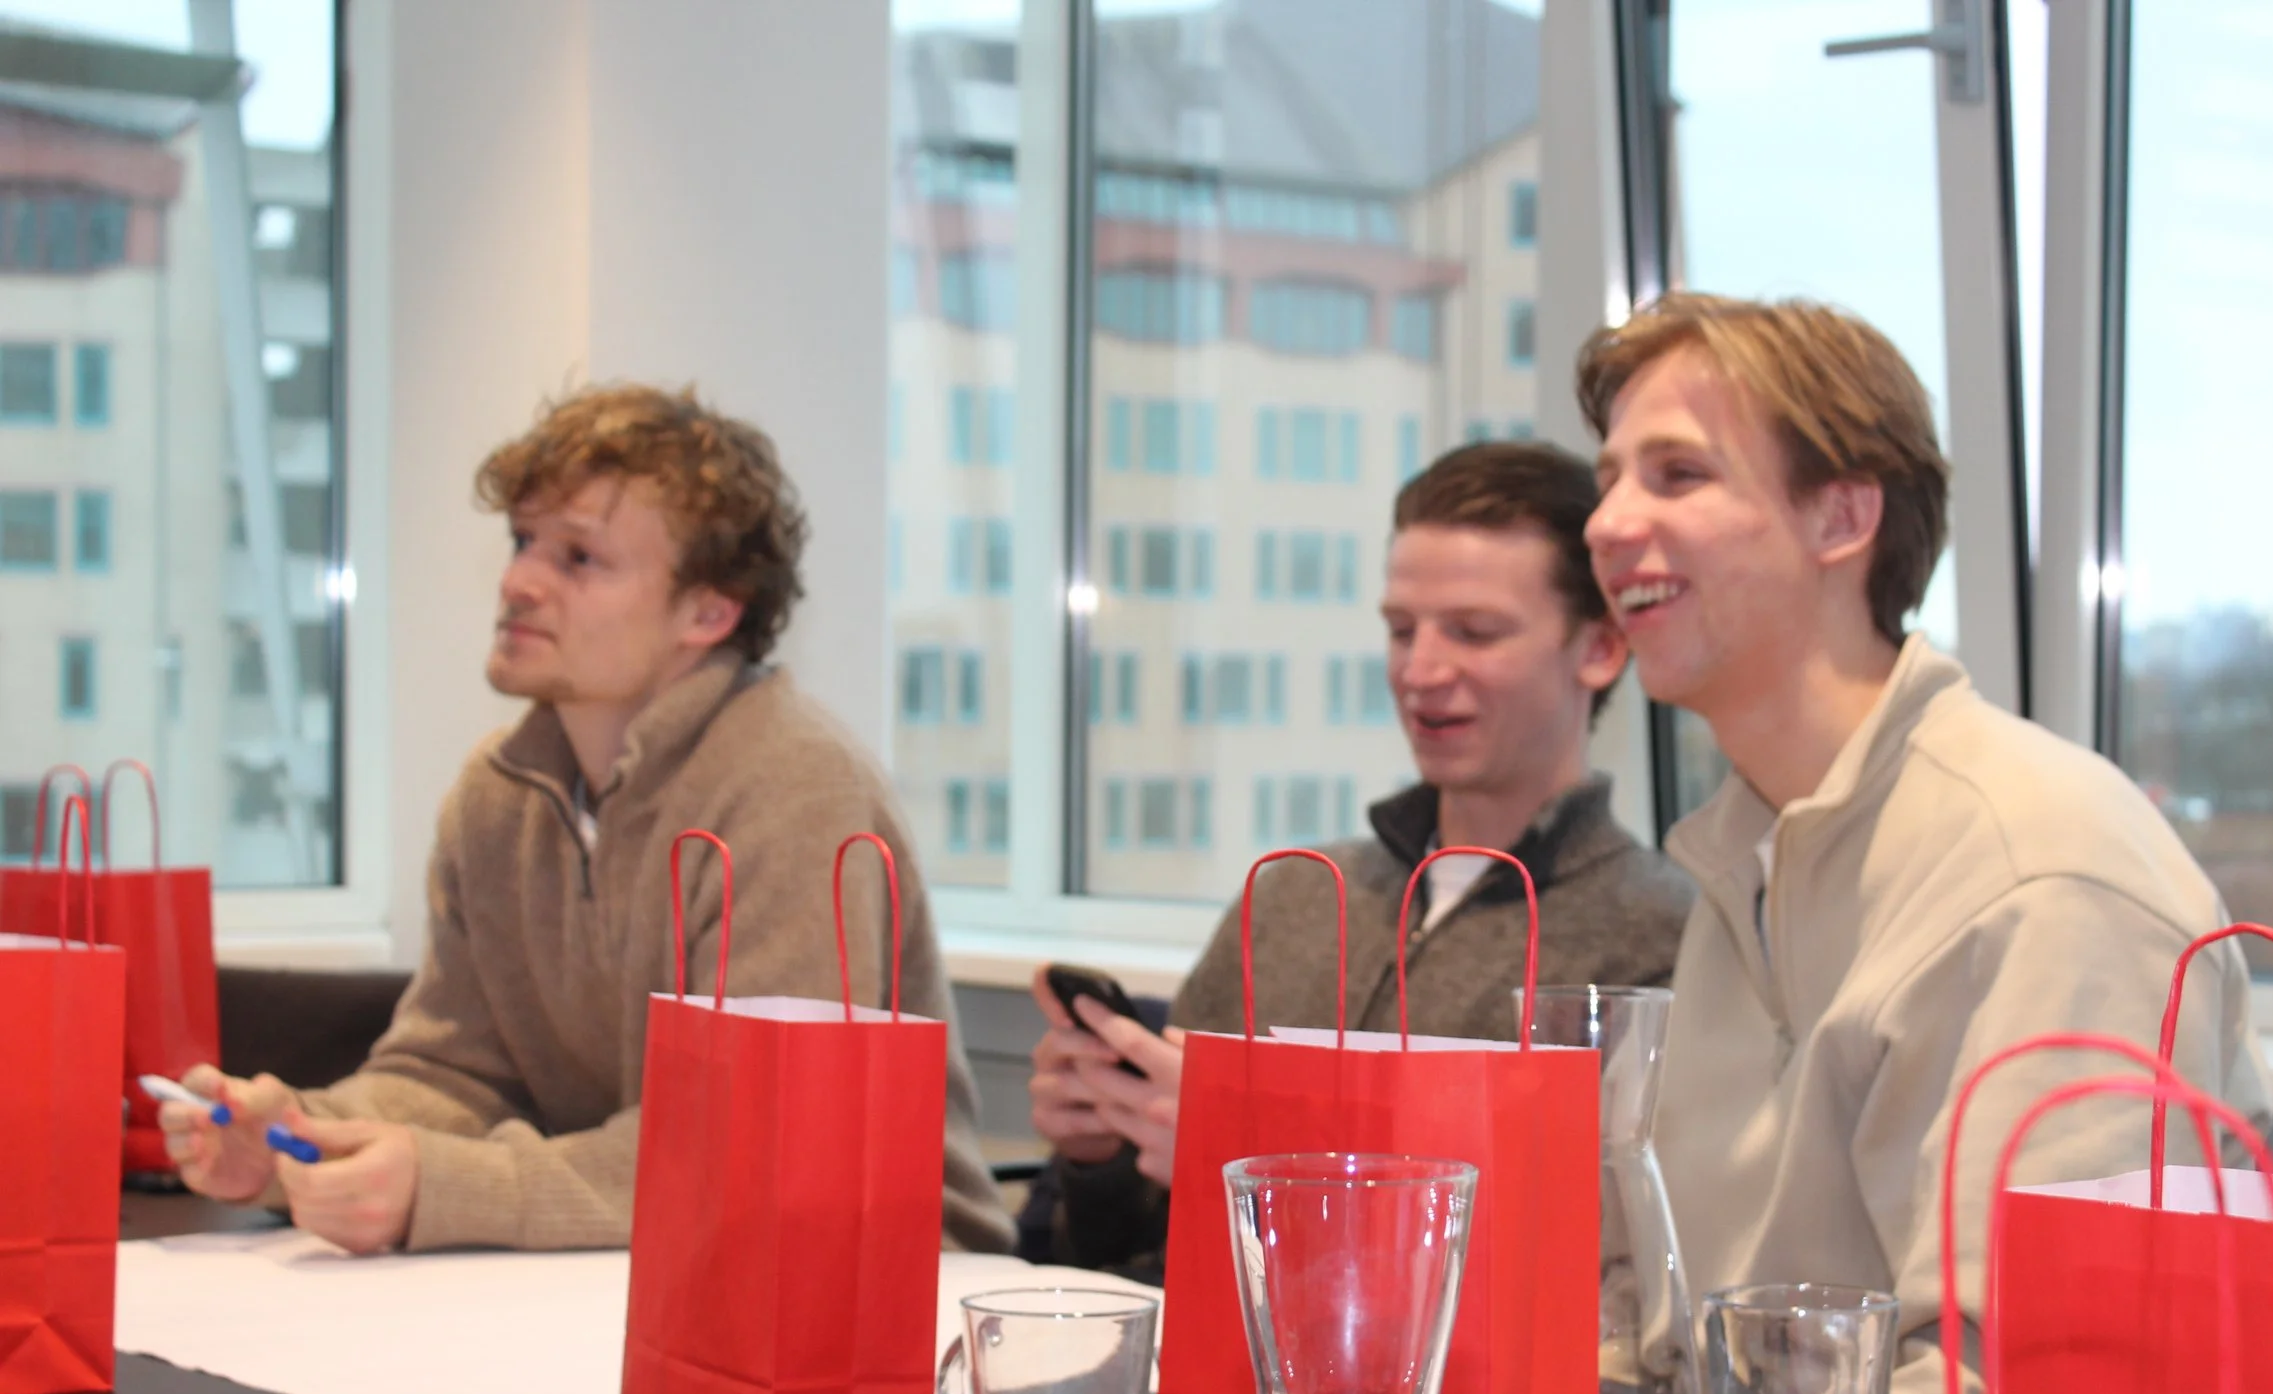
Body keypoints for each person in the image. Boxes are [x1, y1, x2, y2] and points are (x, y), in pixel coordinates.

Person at [1574, 293, 2269, 1394]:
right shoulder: (1745, 859)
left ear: (1842, 517)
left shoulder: (2040, 871)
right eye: (1607, 477)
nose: (1605, 523)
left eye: (1678, 473)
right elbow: (1652, 1317)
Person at [159, 384, 1015, 1256]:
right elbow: (454, 1075)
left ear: (708, 612)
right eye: (522, 541)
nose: (518, 581)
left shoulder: (796, 792)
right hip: (627, 1270)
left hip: (885, 1280)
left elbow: (756, 1145)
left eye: (579, 558)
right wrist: (293, 1138)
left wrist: (446, 1185)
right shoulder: (497, 797)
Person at [1024, 441, 1694, 1280]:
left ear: (1599, 648)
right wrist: (1099, 1156)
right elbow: (1132, 1253)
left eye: (1474, 632)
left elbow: (1594, 1275)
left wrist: (1251, 1149)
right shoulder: (1293, 898)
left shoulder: (1660, 938)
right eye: (1401, 629)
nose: (1420, 670)